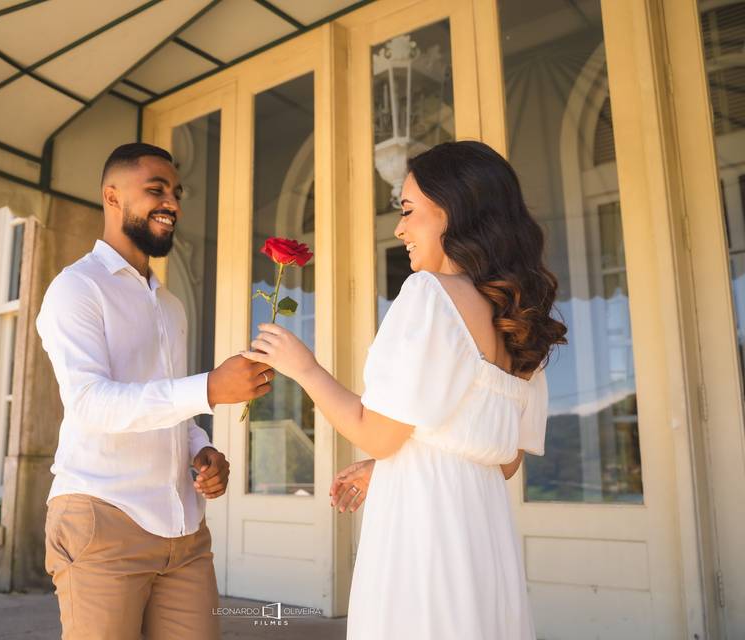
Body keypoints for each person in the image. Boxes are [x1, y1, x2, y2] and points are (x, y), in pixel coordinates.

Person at [242, 141, 567, 639]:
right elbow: (501, 461)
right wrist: (396, 465)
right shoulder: (520, 322)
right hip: (484, 539)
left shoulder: (431, 294)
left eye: (409, 211)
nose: (399, 229)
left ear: (453, 213)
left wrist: (303, 368)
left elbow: (378, 435)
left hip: (423, 536)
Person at [38, 142, 275, 640]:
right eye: (156, 189)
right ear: (112, 196)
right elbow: (89, 402)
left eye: (176, 191)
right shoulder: (76, 288)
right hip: (102, 520)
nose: (172, 202)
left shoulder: (169, 305)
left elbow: (171, 411)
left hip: (185, 533)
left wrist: (201, 449)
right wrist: (209, 387)